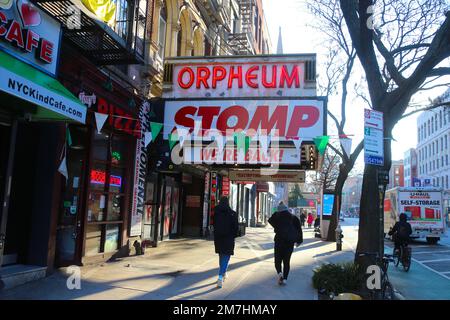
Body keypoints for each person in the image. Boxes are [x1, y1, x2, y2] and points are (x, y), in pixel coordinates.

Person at [268, 202, 303, 286]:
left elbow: (270, 220)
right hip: (289, 242)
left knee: (277, 260)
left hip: (279, 241)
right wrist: (299, 241)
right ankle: (285, 279)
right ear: (287, 209)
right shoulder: (294, 218)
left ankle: (280, 274)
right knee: (286, 261)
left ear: (279, 210)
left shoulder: (277, 217)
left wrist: (277, 212)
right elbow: (299, 230)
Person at [213, 196, 239, 288]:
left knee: (221, 256)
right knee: (226, 257)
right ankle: (220, 276)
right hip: (229, 239)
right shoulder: (233, 214)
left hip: (219, 238)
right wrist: (234, 236)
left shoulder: (216, 213)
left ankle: (223, 273)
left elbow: (214, 225)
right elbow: (236, 228)